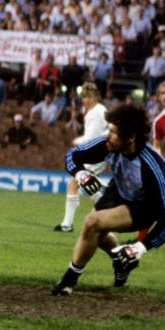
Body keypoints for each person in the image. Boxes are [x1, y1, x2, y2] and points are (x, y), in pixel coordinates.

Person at [51, 104, 165, 295]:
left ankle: (68, 280)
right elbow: (72, 155)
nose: (107, 134)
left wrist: (140, 247)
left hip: (143, 209)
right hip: (117, 192)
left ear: (130, 138)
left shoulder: (154, 167)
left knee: (92, 223)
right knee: (95, 233)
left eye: (113, 131)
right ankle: (121, 263)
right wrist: (80, 173)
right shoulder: (108, 143)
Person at [55, 83, 108, 233]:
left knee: (75, 181)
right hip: (96, 152)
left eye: (89, 96)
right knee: (82, 184)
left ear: (96, 97)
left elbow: (93, 137)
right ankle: (68, 223)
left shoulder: (97, 112)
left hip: (97, 154)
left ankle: (67, 224)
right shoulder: (95, 111)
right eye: (84, 97)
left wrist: (77, 141)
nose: (86, 100)